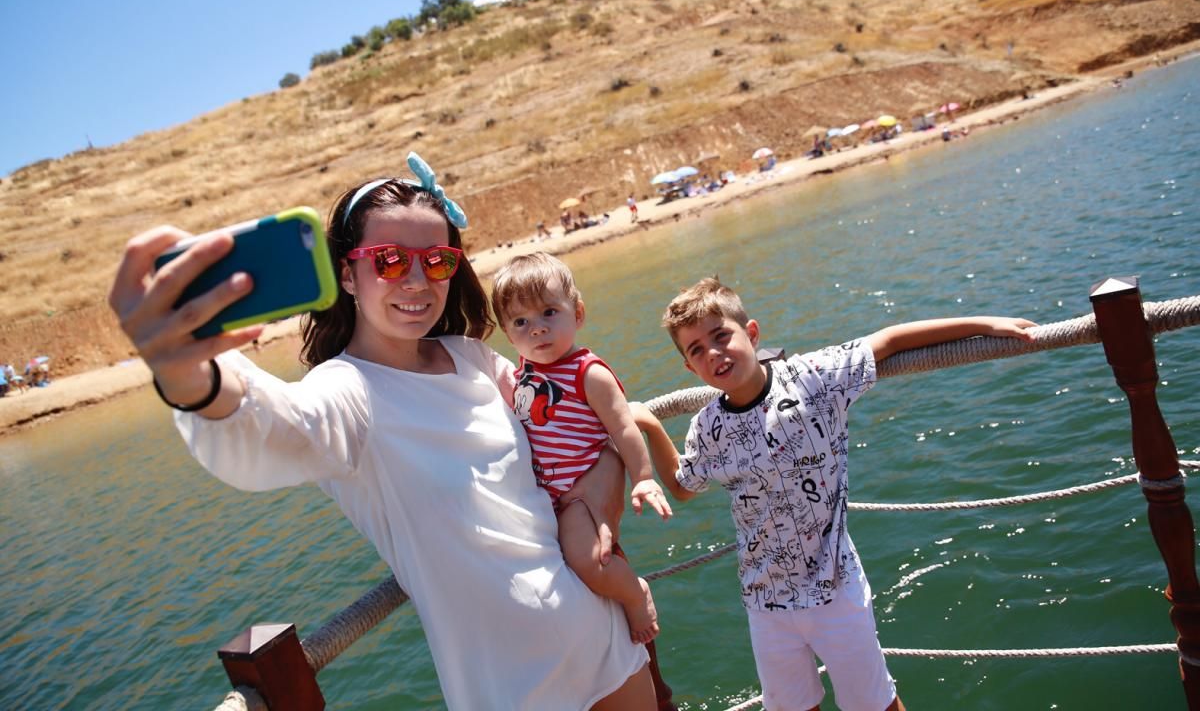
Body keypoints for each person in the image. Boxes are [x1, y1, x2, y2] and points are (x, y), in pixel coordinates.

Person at [107, 152, 658, 710]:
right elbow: (272, 427)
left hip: (604, 636)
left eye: (437, 261)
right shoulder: (348, 392)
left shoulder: (473, 358)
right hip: (509, 688)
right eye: (390, 260)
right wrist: (188, 376)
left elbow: (573, 430)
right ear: (347, 273)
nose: (418, 281)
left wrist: (609, 481)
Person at [633, 276, 1037, 711]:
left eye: (721, 335)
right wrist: (650, 425)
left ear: (751, 333)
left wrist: (986, 324)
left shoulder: (811, 379)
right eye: (696, 350)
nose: (713, 352)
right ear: (691, 369)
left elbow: (889, 340)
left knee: (874, 704)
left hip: (835, 588)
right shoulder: (708, 427)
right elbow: (683, 485)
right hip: (766, 603)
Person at [491, 253, 672, 645]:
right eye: (521, 322)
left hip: (576, 493)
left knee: (590, 563)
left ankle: (634, 593)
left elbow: (623, 429)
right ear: (508, 333)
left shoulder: (587, 373)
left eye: (549, 313)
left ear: (578, 313)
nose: (536, 330)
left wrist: (643, 478)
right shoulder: (524, 372)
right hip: (546, 497)